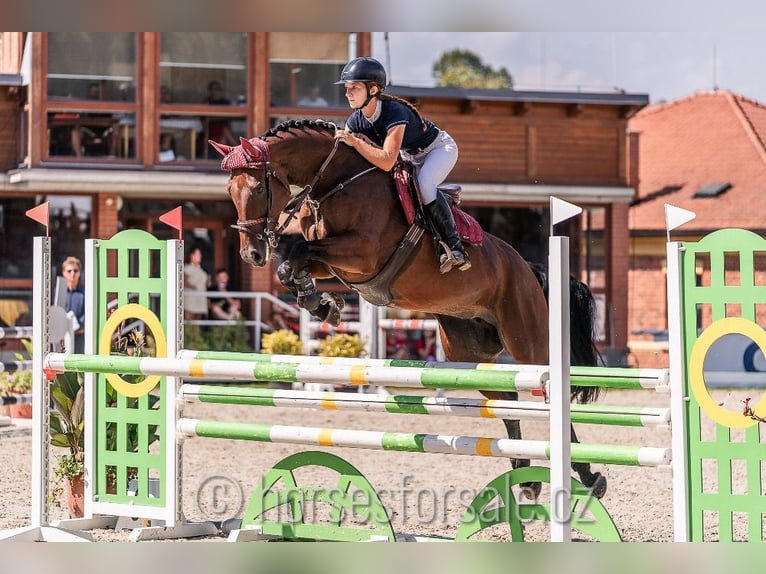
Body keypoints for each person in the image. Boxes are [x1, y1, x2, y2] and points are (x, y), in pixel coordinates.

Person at [333, 57, 470, 274]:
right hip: (408, 156)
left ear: (373, 89)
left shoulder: (394, 112)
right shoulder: (355, 121)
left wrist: (357, 142)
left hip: (438, 150)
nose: (348, 93)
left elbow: (387, 160)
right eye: (347, 88)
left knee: (424, 183)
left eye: (354, 88)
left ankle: (454, 248)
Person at [61, 256, 85, 353]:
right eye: (69, 271)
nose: (72, 274)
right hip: (61, 336)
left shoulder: (85, 293)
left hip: (79, 336)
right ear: (63, 273)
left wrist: (81, 327)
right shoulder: (58, 293)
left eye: (75, 271)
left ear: (79, 273)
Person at [203, 80, 237, 146]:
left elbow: (230, 115)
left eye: (218, 89)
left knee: (224, 130)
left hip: (224, 125)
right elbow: (204, 117)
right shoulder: (207, 101)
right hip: (211, 126)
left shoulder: (225, 102)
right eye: (214, 89)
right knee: (224, 130)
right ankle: (237, 148)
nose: (216, 91)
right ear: (210, 90)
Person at [183, 247, 210, 320]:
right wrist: (194, 288)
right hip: (191, 298)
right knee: (190, 322)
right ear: (191, 255)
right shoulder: (186, 268)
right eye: (198, 254)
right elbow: (184, 282)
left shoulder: (201, 269)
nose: (200, 256)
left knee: (198, 322)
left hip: (201, 298)